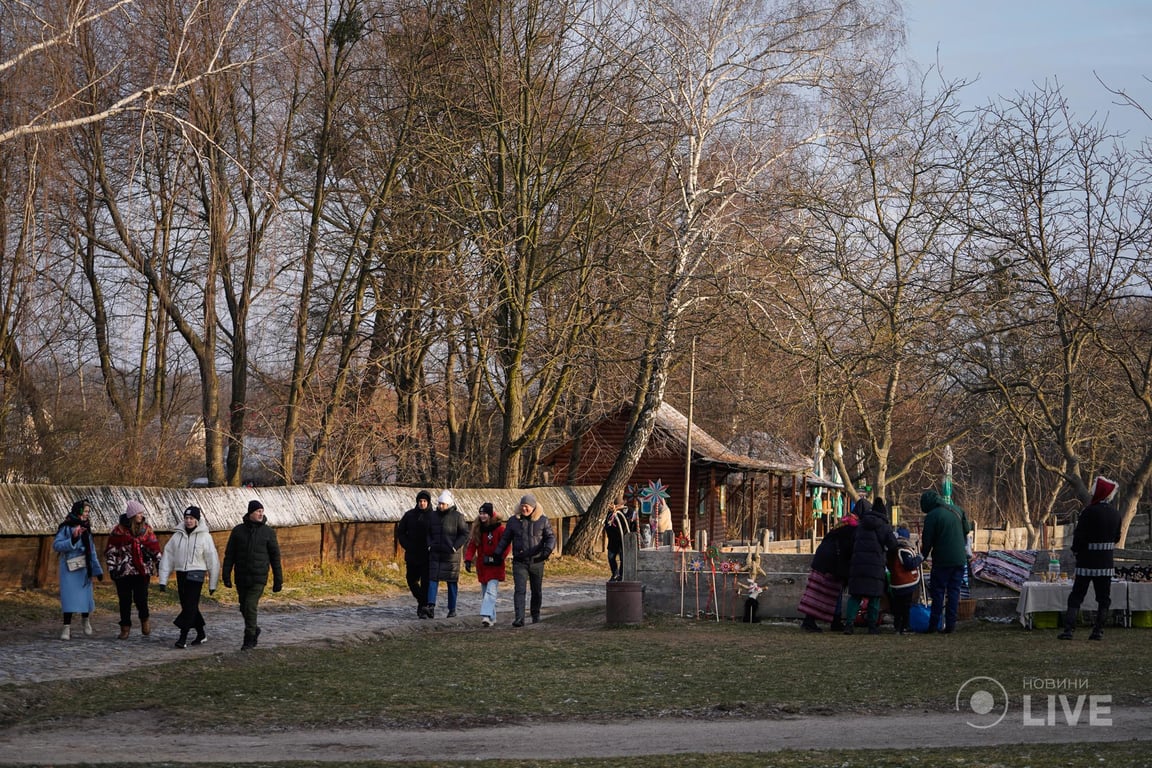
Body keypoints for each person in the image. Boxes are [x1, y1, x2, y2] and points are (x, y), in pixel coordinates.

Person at [1059, 476, 1124, 641]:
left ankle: (1068, 630)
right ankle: (1098, 631)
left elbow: (1079, 537)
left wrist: (1076, 551)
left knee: (1076, 596)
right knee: (1103, 598)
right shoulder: (1116, 514)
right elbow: (1117, 538)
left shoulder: (1088, 512)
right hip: (1105, 563)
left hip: (1086, 562)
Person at [222, 499, 283, 650]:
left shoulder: (268, 532)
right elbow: (230, 554)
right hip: (242, 577)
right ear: (250, 513)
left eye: (262, 511)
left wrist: (278, 580)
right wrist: (226, 575)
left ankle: (249, 638)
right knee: (243, 607)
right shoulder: (238, 531)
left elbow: (275, 557)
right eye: (257, 511)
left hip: (258, 577)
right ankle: (254, 629)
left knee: (250, 606)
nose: (261, 513)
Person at [158, 505, 221, 648]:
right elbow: (167, 557)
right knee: (188, 605)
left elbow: (213, 560)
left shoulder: (205, 537)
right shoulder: (177, 536)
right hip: (181, 573)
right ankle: (201, 633)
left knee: (190, 605)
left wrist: (213, 583)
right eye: (186, 518)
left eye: (191, 518)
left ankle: (183, 637)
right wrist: (163, 580)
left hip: (197, 573)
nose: (188, 521)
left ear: (197, 520)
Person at [104, 500, 161, 640]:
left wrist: (159, 562)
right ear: (132, 514)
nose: (141, 515)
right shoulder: (118, 531)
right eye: (139, 513)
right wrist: (112, 568)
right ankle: (125, 627)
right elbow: (111, 551)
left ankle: (145, 620)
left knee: (141, 598)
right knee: (124, 601)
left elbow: (154, 547)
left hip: (141, 570)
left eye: (142, 513)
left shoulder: (146, 530)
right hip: (123, 571)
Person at [497, 493, 556, 627]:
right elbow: (505, 539)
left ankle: (535, 614)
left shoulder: (542, 520)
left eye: (527, 506)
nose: (524, 509)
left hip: (537, 560)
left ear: (533, 507)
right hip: (519, 561)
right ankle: (519, 618)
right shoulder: (513, 521)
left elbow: (551, 537)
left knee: (536, 590)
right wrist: (497, 554)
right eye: (522, 506)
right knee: (519, 590)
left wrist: (547, 551)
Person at [920, 488, 973, 634]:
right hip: (959, 559)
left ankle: (933, 625)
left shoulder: (932, 516)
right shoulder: (957, 510)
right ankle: (950, 626)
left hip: (942, 560)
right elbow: (967, 530)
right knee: (954, 592)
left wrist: (921, 557)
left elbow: (927, 540)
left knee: (938, 593)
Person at [842, 497, 898, 634]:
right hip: (875, 565)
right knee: (874, 597)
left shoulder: (861, 525)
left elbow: (851, 543)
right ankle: (872, 626)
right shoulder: (884, 526)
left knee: (855, 596)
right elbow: (893, 545)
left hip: (858, 565)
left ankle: (849, 624)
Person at [797, 510, 857, 632]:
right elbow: (847, 552)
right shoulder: (850, 532)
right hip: (831, 565)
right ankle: (822, 621)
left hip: (821, 562)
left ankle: (812, 620)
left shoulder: (836, 530)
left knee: (817, 592)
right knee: (827, 594)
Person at [52, 499, 104, 640]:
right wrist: (73, 539)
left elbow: (91, 551)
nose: (87, 514)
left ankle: (85, 619)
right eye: (85, 511)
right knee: (69, 598)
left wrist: (97, 570)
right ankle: (66, 628)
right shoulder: (66, 527)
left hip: (83, 568)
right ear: (79, 511)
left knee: (85, 597)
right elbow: (56, 545)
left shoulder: (87, 529)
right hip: (69, 568)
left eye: (88, 512)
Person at [426, 491, 468, 619]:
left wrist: (455, 547)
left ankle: (452, 609)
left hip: (451, 556)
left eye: (443, 504)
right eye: (439, 503)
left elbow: (464, 534)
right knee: (433, 580)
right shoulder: (433, 516)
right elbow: (428, 532)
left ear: (448, 504)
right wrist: (430, 544)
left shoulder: (458, 517)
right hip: (436, 553)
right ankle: (431, 606)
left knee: (451, 583)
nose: (440, 506)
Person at [464, 502, 506, 627]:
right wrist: (468, 559)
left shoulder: (500, 529)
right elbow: (472, 545)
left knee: (491, 592)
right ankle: (492, 618)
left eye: (485, 514)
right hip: (483, 565)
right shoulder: (478, 529)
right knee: (485, 592)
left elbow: (506, 544)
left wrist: (500, 557)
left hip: (496, 565)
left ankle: (486, 615)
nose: (482, 516)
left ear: (490, 514)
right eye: (481, 513)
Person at [396, 490, 433, 618]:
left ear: (428, 502)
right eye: (420, 501)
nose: (422, 503)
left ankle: (422, 609)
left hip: (427, 555)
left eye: (424, 501)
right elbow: (401, 532)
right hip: (412, 554)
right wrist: (407, 545)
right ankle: (423, 602)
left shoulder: (433, 517)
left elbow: (437, 533)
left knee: (425, 583)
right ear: (417, 502)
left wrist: (432, 546)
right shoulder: (409, 515)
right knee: (411, 580)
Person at [887, 526, 924, 636]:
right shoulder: (903, 550)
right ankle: (905, 626)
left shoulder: (892, 550)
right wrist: (919, 558)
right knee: (906, 606)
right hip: (906, 583)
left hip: (895, 583)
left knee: (897, 606)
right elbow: (909, 565)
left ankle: (897, 626)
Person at [603, 495, 633, 582]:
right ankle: (615, 573)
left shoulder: (628, 511)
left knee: (623, 559)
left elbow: (630, 522)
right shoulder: (611, 514)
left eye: (618, 505)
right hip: (613, 540)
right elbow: (607, 525)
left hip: (624, 539)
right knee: (611, 557)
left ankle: (621, 575)